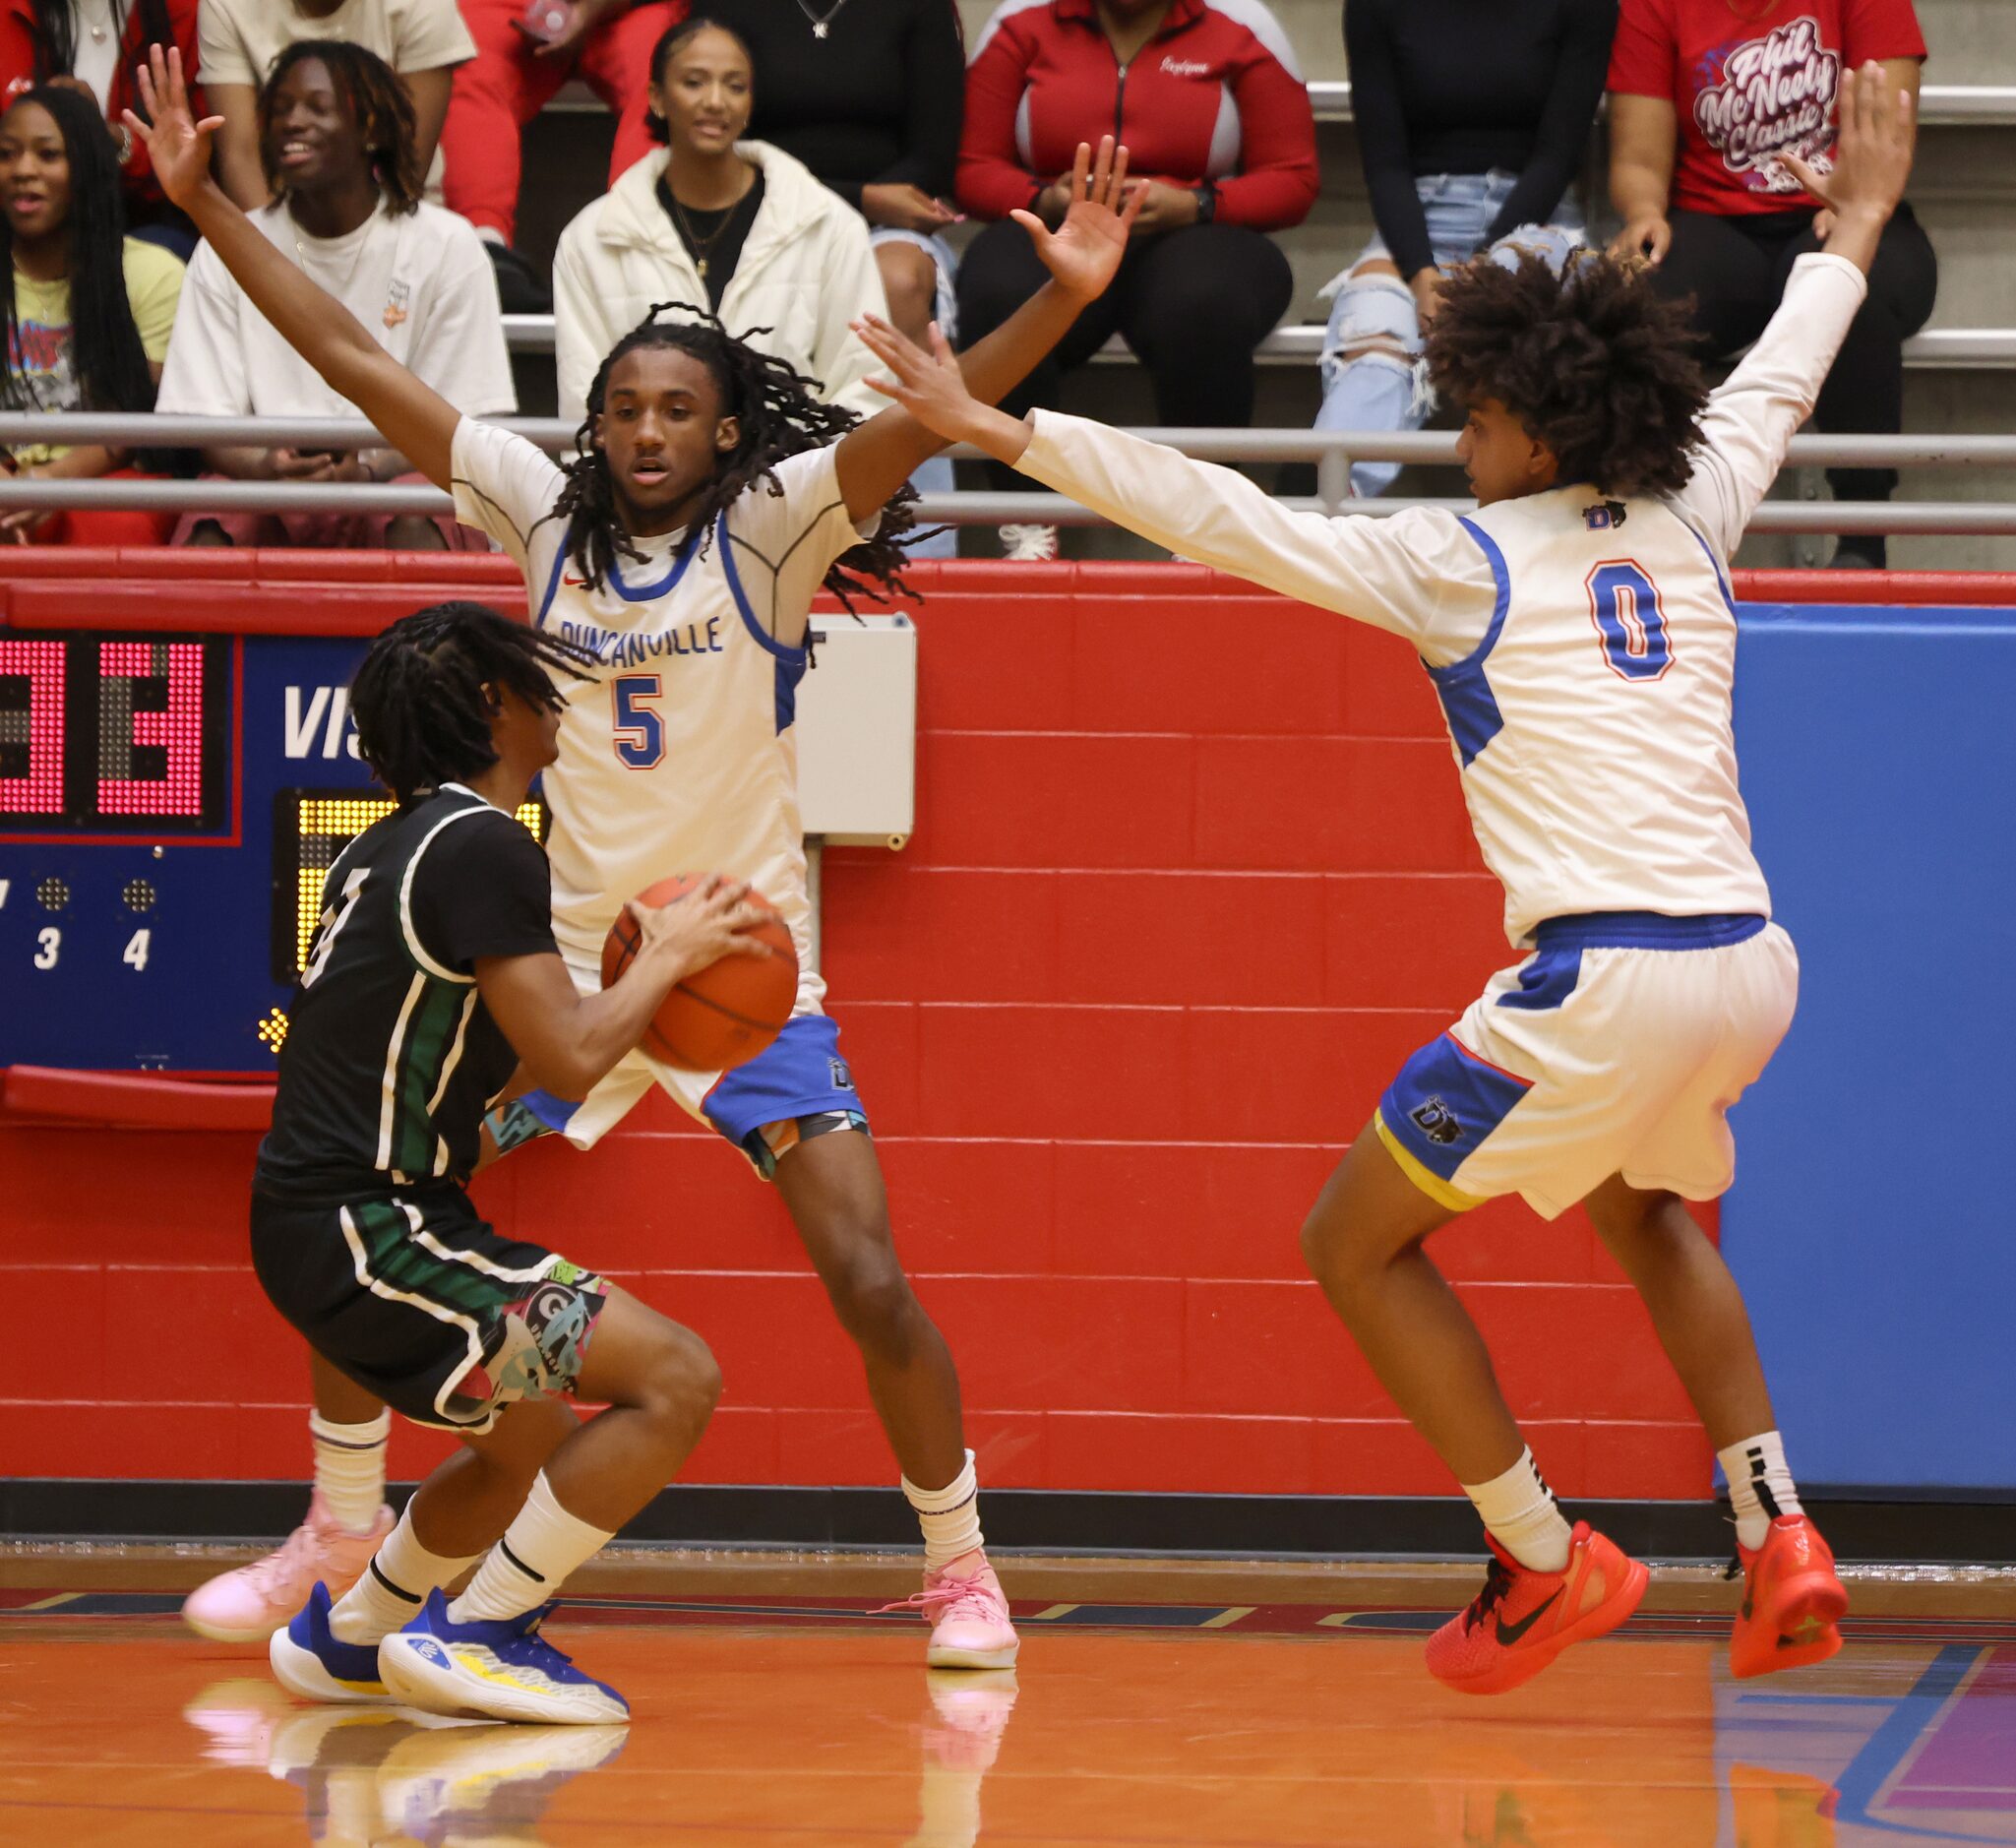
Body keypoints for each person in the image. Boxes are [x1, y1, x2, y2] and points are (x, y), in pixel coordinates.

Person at [857, 60, 1920, 1694]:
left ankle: (1537, 1554)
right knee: (1645, 1210)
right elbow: (1775, 377)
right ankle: (1775, 1526)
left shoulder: (1459, 559)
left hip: (1600, 976)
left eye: (1472, 413)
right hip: (1741, 964)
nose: (1454, 434)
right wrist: (1844, 230)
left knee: (1350, 1241)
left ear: (1537, 421)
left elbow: (1213, 513)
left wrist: (995, 427)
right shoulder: (1694, 506)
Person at [135, 41, 1144, 1670]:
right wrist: (215, 212)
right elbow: (342, 349)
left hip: (741, 964)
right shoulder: (537, 512)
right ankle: (340, 1531)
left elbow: (919, 422)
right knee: (378, 1190)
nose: (648, 430)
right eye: (623, 407)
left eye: (679, 408)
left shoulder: (772, 526)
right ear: (591, 421)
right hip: (563, 970)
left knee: (868, 1271)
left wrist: (1064, 300)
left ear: (729, 424)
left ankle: (957, 1561)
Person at [246, 598, 770, 1725]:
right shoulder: (479, 843)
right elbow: (575, 1052)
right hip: (373, 1232)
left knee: (524, 1442)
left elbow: (464, 1110)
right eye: (534, 681)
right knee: (676, 1376)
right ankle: (483, 1632)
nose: (555, 699)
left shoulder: (389, 852)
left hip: (342, 1226)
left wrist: (566, 1099)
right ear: (492, 705)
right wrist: (666, 962)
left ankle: (358, 1637)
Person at [955, 0, 1316, 560]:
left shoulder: (1241, 27)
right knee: (996, 290)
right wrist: (1048, 199)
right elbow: (972, 167)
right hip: (1061, 229)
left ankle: (1202, 529)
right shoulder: (1023, 23)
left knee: (1205, 304)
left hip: (1191, 231)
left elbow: (1293, 177)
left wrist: (1197, 203)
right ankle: (1026, 524)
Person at [1607, 0, 1934, 570]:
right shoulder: (1654, 7)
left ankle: (1863, 539)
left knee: (1856, 288)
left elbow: (1888, 126)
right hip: (1714, 224)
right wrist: (1643, 212)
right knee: (1636, 306)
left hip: (1844, 207)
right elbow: (1637, 157)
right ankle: (1643, 530)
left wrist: (1856, 206)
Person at [154, 39, 514, 550]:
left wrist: (369, 467)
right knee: (215, 522)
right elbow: (206, 423)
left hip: (396, 476)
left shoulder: (447, 244)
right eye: (279, 110)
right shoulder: (227, 247)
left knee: (417, 515)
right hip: (266, 485)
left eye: (316, 108)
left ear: (370, 128)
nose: (292, 122)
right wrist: (267, 466)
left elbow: (465, 422)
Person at [1318, 0, 1615, 500]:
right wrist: (1421, 274)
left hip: (1538, 216)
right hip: (1417, 223)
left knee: (1523, 321)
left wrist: (1480, 276)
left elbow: (1557, 153)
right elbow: (1385, 163)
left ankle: (1546, 534)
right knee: (1374, 347)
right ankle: (1326, 528)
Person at [551, 17, 888, 430]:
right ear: (656, 97)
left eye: (735, 86)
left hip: (795, 483)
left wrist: (801, 483)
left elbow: (862, 388)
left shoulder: (828, 224)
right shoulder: (590, 238)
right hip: (644, 484)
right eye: (694, 82)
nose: (715, 101)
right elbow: (585, 406)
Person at [0, 83, 181, 544]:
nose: (23, 171)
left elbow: (139, 418)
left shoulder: (152, 274)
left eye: (48, 155)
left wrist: (47, 483)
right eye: (7, 154)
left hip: (102, 477)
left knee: (116, 527)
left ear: (87, 169)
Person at [438, 0, 683, 314]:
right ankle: (484, 248)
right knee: (467, 53)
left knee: (666, 72)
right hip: (511, 7)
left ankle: (636, 247)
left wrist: (588, 11)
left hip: (634, 8)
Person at [196, 0, 472, 211]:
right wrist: (284, 262)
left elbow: (404, 169)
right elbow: (240, 156)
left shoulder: (421, 5)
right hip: (273, 222)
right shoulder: (228, 6)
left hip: (397, 220)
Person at [0, 0, 203, 252]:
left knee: (165, 245)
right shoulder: (9, 13)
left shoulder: (181, 10)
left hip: (145, 223)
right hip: (16, 231)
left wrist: (114, 140)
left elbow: (197, 168)